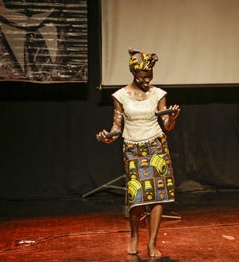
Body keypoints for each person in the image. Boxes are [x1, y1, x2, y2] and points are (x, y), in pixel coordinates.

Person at [97, 48, 180, 258]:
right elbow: (117, 126)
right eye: (143, 77)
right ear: (134, 73)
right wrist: (109, 136)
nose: (147, 80)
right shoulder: (121, 95)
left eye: (150, 76)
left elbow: (167, 125)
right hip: (133, 147)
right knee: (137, 197)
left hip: (156, 146)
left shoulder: (158, 94)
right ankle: (134, 235)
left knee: (157, 197)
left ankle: (152, 243)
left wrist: (173, 116)